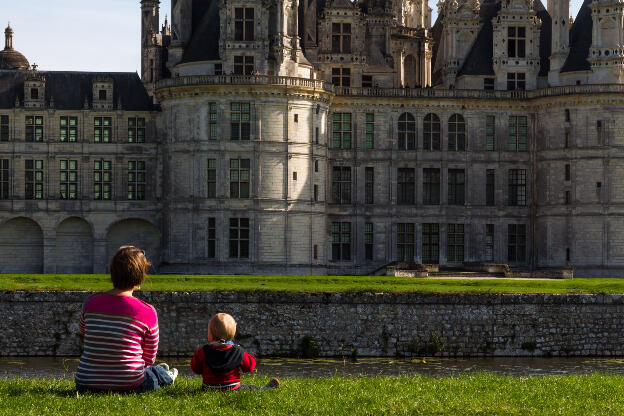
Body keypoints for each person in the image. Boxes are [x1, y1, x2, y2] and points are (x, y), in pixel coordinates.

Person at [75, 246, 177, 393]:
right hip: (129, 384)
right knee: (151, 374)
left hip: (86, 383)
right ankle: (167, 376)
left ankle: (161, 373)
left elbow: (83, 330)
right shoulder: (147, 311)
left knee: (152, 371)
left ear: (111, 271)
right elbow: (148, 358)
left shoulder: (91, 302)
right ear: (141, 277)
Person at [190, 312, 279, 391]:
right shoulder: (237, 351)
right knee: (249, 388)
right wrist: (245, 354)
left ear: (211, 335)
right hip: (231, 388)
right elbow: (249, 367)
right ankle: (265, 389)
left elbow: (195, 368)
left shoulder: (203, 351)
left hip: (208, 388)